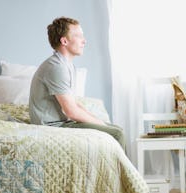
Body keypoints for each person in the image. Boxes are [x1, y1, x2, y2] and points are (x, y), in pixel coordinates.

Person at [29, 17, 125, 150]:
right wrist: (101, 124)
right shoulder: (57, 67)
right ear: (64, 41)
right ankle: (124, 172)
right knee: (117, 134)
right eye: (79, 36)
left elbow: (74, 104)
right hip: (52, 126)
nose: (84, 41)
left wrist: (100, 121)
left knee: (116, 129)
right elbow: (71, 111)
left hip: (62, 122)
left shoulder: (67, 65)